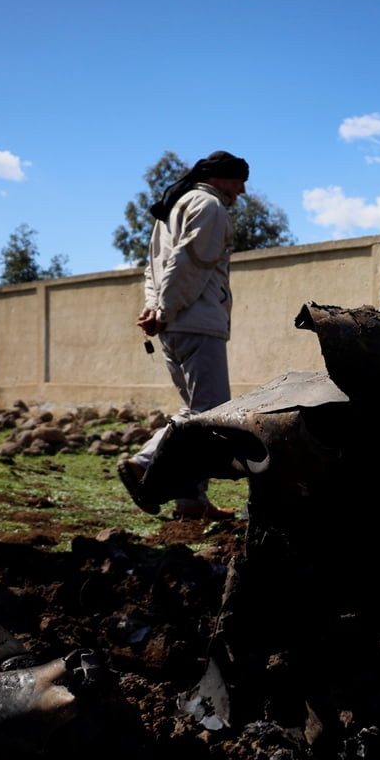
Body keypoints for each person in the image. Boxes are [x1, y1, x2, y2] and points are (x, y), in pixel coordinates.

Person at [117, 150, 249, 520]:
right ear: (221, 177)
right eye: (238, 180)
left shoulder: (173, 209)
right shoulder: (209, 206)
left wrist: (154, 308)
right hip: (195, 321)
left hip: (176, 324)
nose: (241, 190)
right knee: (209, 415)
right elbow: (188, 264)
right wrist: (165, 310)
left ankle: (191, 504)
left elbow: (153, 269)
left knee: (194, 412)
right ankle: (144, 464)